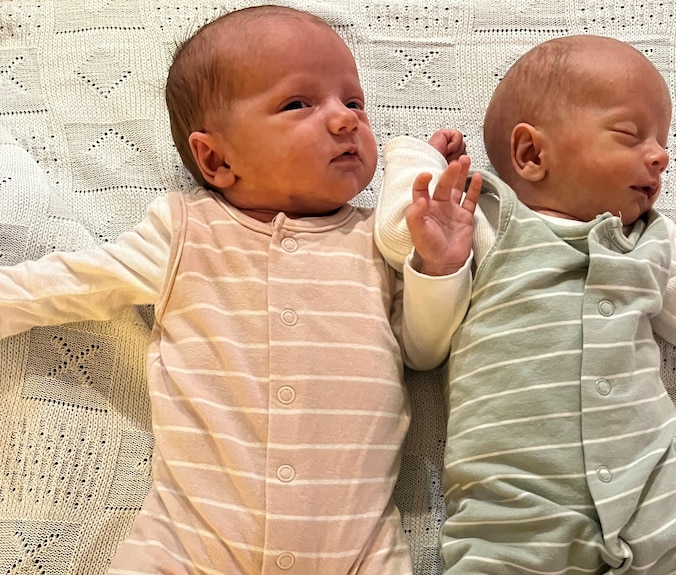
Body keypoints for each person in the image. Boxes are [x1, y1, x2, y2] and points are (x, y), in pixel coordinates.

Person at [0, 5, 468, 574]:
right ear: (216, 159)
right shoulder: (186, 232)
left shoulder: (376, 241)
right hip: (189, 544)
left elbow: (422, 351)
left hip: (355, 549)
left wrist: (438, 268)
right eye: (299, 103)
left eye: (354, 102)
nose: (346, 120)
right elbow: (64, 284)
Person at [375, 35, 676, 574]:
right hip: (517, 510)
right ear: (531, 154)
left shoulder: (646, 241)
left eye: (662, 144)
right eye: (630, 135)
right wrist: (423, 166)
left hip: (652, 495)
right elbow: (418, 326)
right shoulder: (486, 223)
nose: (661, 155)